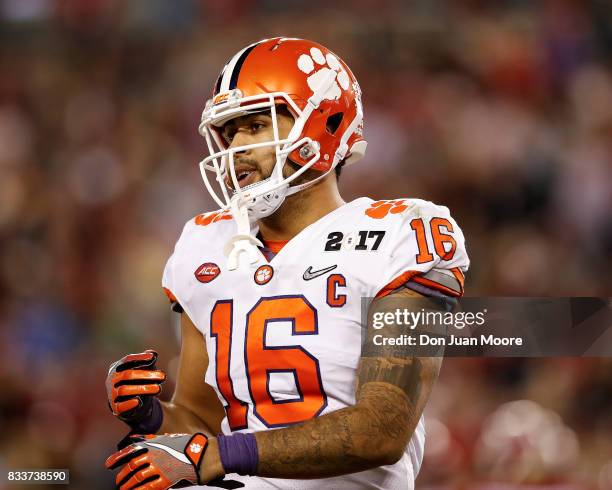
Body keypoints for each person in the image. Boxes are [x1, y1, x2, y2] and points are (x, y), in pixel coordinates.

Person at [105, 37, 469, 489]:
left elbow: (383, 429)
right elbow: (201, 420)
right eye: (230, 131)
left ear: (324, 124)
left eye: (256, 126)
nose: (236, 145)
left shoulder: (401, 233)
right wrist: (154, 414)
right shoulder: (204, 243)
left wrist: (223, 454)